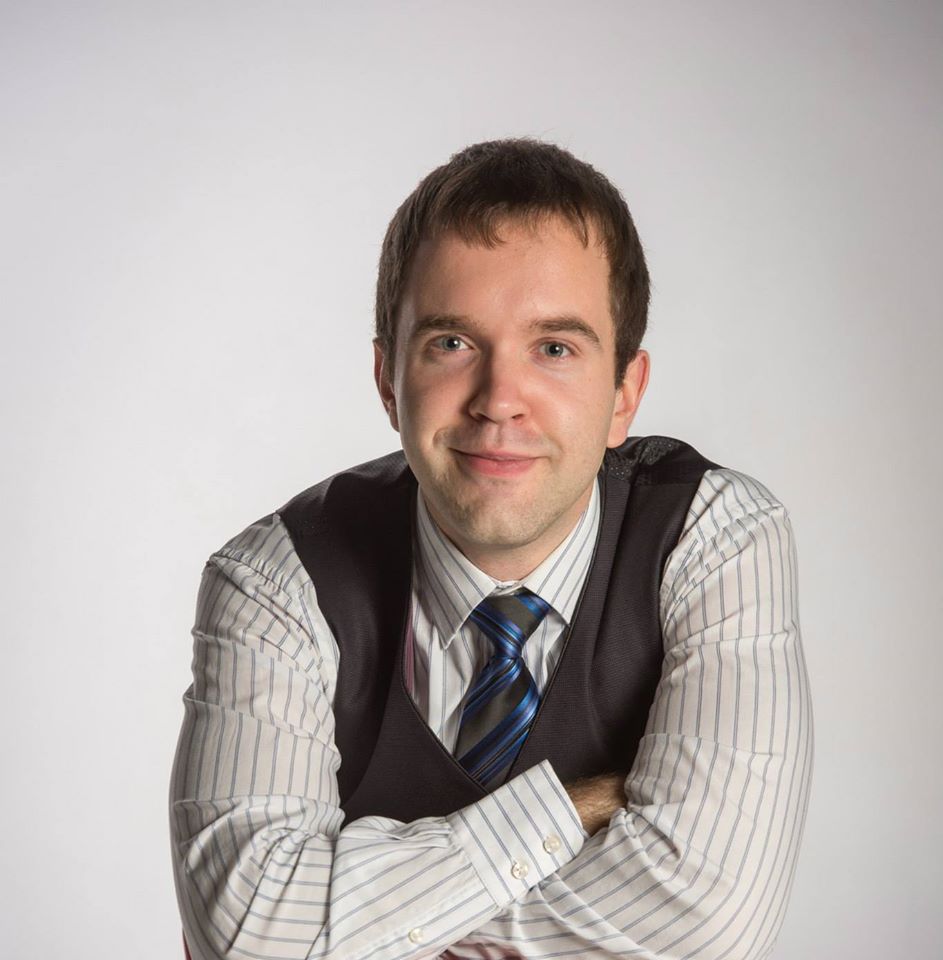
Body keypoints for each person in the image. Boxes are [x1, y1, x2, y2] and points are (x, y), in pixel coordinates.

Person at [169, 138, 813, 960]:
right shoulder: (276, 580)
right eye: (452, 343)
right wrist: (573, 809)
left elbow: (708, 919)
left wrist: (357, 929)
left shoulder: (712, 537)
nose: (499, 400)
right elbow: (246, 934)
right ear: (388, 380)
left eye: (554, 348)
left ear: (624, 392)